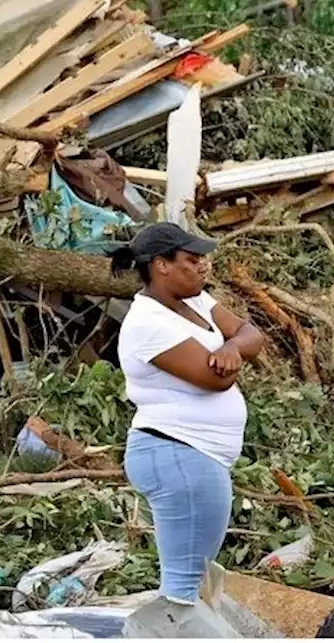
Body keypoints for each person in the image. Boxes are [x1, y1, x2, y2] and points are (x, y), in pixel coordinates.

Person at [112, 223, 265, 605]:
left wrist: (232, 346)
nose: (204, 266)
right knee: (182, 590)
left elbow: (253, 335)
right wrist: (233, 353)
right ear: (161, 265)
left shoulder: (195, 301)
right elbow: (215, 380)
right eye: (192, 259)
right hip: (179, 454)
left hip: (193, 456)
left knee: (192, 581)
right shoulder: (148, 323)